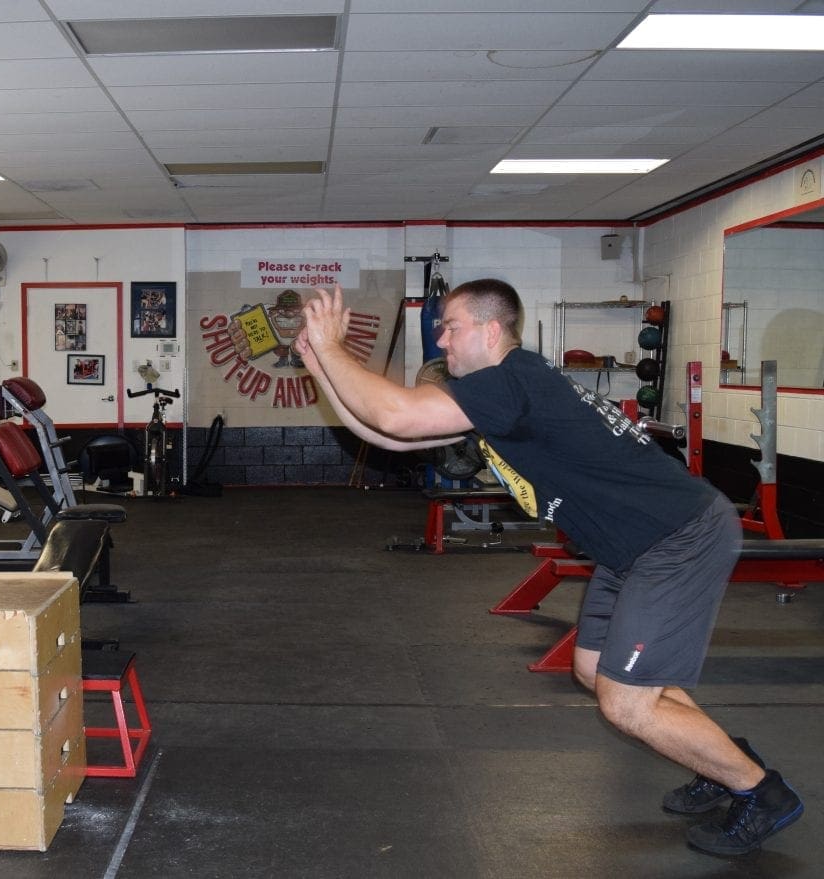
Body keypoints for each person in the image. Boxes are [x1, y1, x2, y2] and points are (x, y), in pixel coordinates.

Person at [295, 279, 803, 857]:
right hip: (631, 546)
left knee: (626, 701)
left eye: (450, 326)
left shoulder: (512, 379)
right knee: (594, 671)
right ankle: (719, 759)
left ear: (490, 331)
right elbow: (382, 430)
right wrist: (321, 367)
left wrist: (334, 346)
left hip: (676, 537)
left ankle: (761, 793)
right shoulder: (505, 394)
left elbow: (396, 413)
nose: (440, 338)